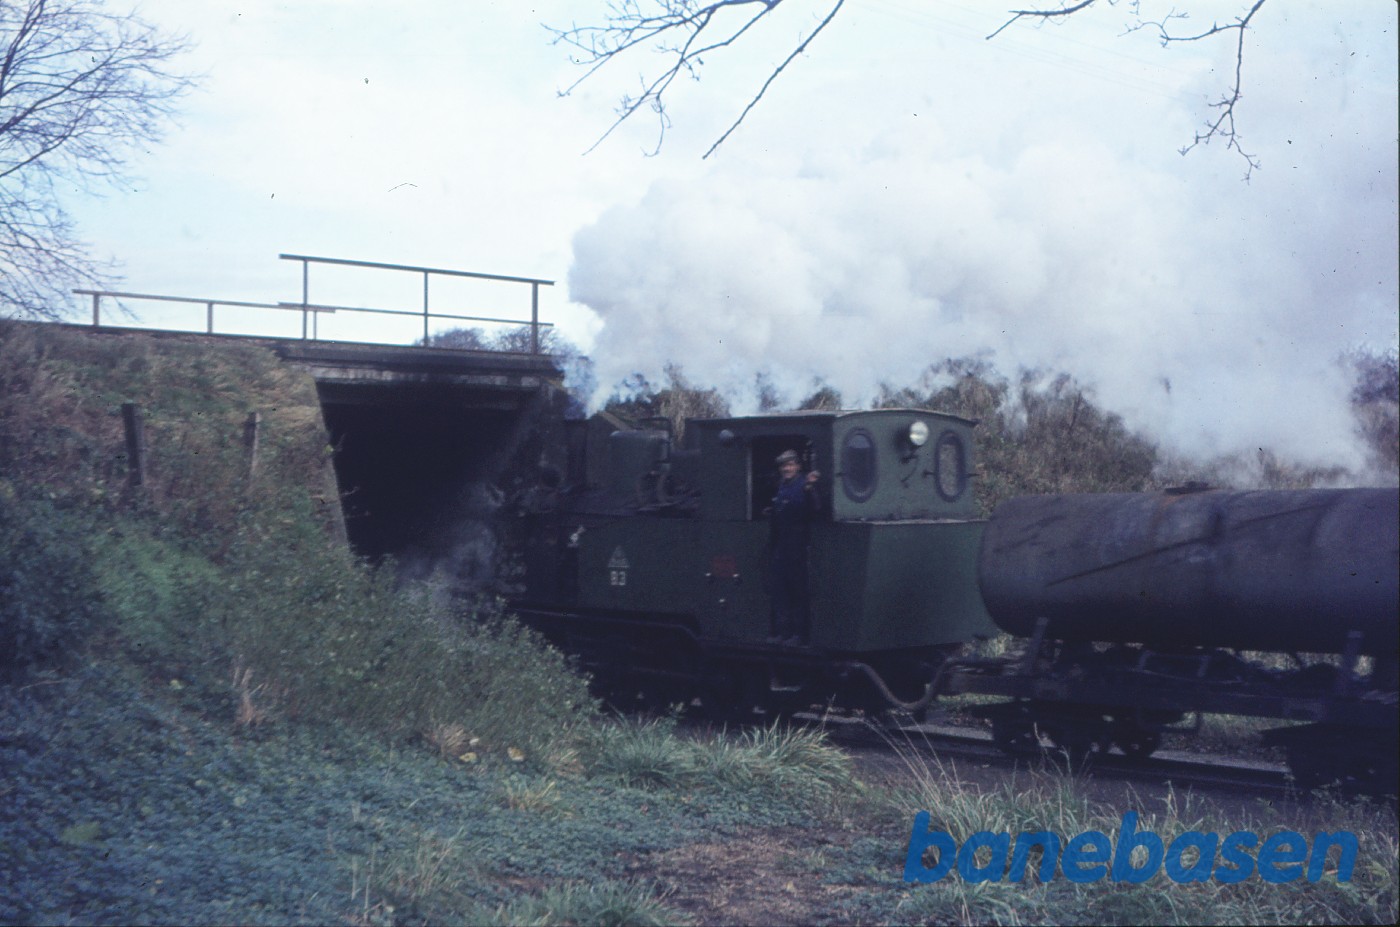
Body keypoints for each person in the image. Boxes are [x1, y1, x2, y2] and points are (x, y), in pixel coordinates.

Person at [768, 449, 820, 645]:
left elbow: (815, 508)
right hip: (782, 543)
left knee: (798, 591)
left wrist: (811, 488)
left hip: (798, 544)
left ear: (797, 466)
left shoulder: (803, 485)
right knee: (780, 589)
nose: (787, 469)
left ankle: (799, 634)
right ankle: (784, 631)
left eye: (790, 465)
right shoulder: (782, 486)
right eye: (784, 466)